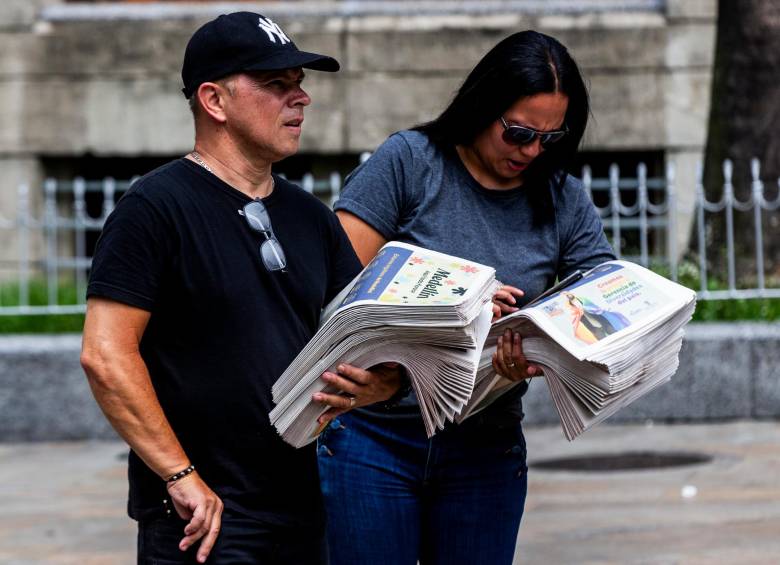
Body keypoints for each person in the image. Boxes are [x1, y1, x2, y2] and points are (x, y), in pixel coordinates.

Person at [80, 12, 402, 565]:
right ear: (215, 100)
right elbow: (105, 354)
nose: (299, 99)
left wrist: (381, 383)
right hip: (201, 518)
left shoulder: (310, 216)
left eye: (300, 85)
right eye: (277, 85)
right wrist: (180, 475)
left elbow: (368, 340)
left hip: (303, 510)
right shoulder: (154, 208)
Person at [317, 30, 617, 565]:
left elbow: (599, 299)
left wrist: (546, 344)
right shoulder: (411, 162)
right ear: (483, 106)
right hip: (376, 437)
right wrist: (461, 305)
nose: (531, 152)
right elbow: (337, 286)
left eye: (549, 138)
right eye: (519, 132)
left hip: (485, 446)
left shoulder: (560, 196)